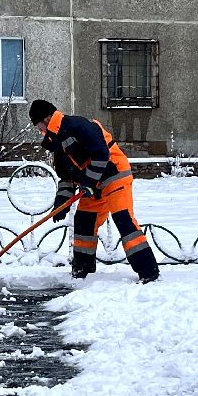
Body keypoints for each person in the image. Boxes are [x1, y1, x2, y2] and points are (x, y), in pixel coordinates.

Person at [29, 99, 160, 284]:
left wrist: (89, 183)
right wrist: (61, 202)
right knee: (83, 221)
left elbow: (101, 154)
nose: (40, 131)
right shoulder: (57, 143)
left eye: (39, 126)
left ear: (47, 118)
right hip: (93, 186)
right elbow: (67, 176)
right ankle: (82, 271)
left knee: (123, 219)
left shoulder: (77, 125)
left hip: (114, 176)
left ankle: (148, 271)